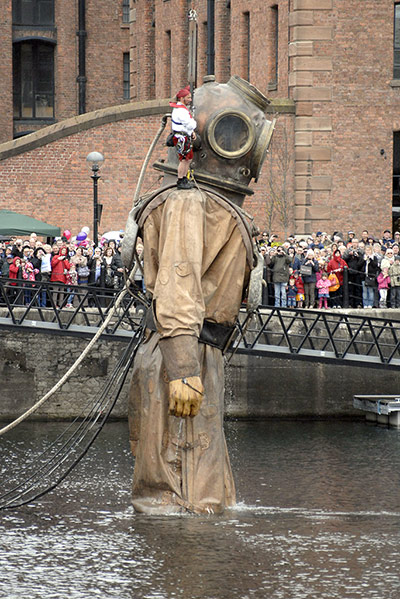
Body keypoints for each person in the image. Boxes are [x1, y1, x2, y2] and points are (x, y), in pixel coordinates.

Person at [122, 75, 274, 514]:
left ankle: (191, 565)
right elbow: (178, 283)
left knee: (200, 490)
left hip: (192, 352)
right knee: (182, 495)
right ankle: (185, 575)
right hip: (184, 353)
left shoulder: (205, 205)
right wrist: (185, 370)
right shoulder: (190, 203)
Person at [169, 86, 197, 190]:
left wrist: (191, 132)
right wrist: (194, 125)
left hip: (185, 136)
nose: (190, 100)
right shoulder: (181, 111)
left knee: (188, 159)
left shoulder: (182, 109)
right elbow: (190, 124)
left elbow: (187, 126)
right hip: (181, 138)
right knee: (184, 159)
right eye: (188, 98)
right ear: (182, 98)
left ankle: (184, 178)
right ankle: (180, 180)